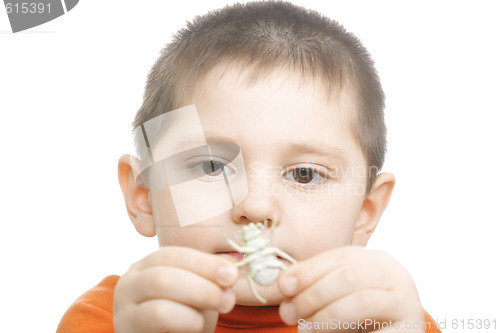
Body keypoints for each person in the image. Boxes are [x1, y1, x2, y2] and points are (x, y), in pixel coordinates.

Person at [57, 1, 441, 332]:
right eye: (211, 165)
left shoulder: (386, 321)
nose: (255, 207)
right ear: (144, 195)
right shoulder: (110, 321)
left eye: (304, 174)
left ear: (365, 212)